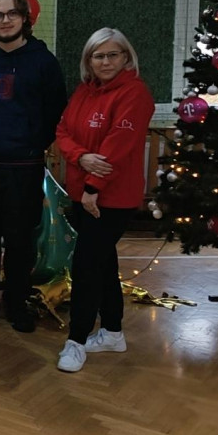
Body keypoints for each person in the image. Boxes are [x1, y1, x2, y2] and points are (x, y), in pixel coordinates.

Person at [0, 0, 66, 333]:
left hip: (23, 167)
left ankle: (16, 302)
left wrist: (28, 145)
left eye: (12, 14)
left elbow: (55, 112)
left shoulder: (44, 62)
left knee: (20, 240)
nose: (5, 20)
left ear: (25, 18)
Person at [54, 29, 153, 373]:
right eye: (99, 56)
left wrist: (93, 188)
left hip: (109, 197)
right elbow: (63, 132)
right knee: (103, 263)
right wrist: (81, 157)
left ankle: (76, 341)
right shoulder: (84, 91)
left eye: (113, 55)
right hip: (82, 193)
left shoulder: (135, 93)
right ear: (89, 60)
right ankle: (112, 332)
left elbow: (118, 147)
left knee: (86, 267)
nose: (106, 62)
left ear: (126, 57)